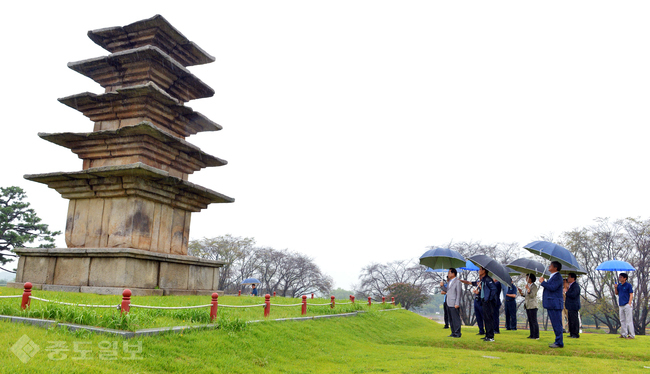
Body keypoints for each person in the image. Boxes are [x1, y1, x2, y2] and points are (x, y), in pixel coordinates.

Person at [461, 267, 497, 342]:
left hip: (488, 302)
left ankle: (491, 336)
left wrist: (489, 299)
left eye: (480, 270)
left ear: (484, 271)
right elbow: (483, 290)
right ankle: (487, 335)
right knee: (486, 319)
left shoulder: (488, 279)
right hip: (483, 301)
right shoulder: (482, 280)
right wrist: (479, 292)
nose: (479, 271)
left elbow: (494, 289)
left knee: (489, 319)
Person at [539, 261, 564, 348]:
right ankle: (558, 341)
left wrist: (543, 282)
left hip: (555, 304)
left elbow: (552, 287)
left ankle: (559, 342)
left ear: (555, 268)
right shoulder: (552, 276)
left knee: (557, 323)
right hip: (551, 303)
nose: (549, 266)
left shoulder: (558, 277)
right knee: (555, 323)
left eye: (551, 265)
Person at [518, 273, 539, 339]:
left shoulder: (534, 286)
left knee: (534, 321)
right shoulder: (528, 286)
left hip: (533, 305)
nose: (526, 279)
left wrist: (528, 289)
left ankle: (536, 335)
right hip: (527, 305)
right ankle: (532, 334)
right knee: (530, 321)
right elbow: (526, 295)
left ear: (531, 279)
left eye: (527, 278)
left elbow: (532, 295)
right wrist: (521, 292)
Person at [615, 273, 635, 339]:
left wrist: (629, 303)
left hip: (627, 304)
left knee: (629, 320)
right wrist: (615, 287)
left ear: (625, 278)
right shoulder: (619, 285)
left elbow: (631, 294)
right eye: (619, 277)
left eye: (621, 277)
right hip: (621, 305)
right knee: (622, 320)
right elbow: (616, 293)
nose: (619, 278)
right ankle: (623, 334)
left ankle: (632, 335)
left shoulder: (628, 285)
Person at [445, 268, 462, 338]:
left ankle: (457, 333)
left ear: (453, 273)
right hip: (448, 302)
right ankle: (453, 332)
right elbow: (447, 291)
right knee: (451, 319)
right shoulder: (449, 282)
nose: (448, 274)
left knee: (455, 319)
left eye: (449, 273)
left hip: (454, 302)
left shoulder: (457, 282)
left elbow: (458, 293)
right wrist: (441, 286)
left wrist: (457, 303)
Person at [565, 272, 581, 338]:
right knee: (570, 320)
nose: (568, 278)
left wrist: (566, 292)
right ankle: (571, 333)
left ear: (573, 278)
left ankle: (575, 333)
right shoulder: (570, 286)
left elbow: (573, 295)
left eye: (569, 277)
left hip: (574, 306)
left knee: (574, 320)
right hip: (570, 306)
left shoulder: (576, 286)